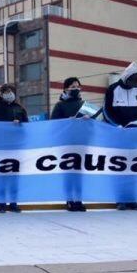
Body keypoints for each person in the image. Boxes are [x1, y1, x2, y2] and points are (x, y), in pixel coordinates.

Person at [104, 62, 137, 210]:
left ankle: (132, 199)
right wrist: (116, 126)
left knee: (134, 168)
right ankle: (120, 199)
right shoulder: (112, 89)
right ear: (127, 78)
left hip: (134, 135)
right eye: (133, 80)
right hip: (118, 134)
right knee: (120, 167)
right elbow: (107, 111)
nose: (135, 84)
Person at [0, 84, 28, 213]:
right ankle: (2, 203)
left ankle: (13, 202)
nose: (8, 94)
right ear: (1, 94)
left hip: (16, 147)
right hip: (0, 147)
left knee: (14, 176)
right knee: (1, 176)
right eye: (5, 92)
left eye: (10, 91)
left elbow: (27, 127)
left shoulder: (20, 108)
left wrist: (20, 124)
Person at [50, 77, 87, 212]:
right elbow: (53, 124)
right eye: (72, 86)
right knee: (69, 173)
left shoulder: (84, 104)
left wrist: (89, 120)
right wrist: (67, 121)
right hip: (66, 144)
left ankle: (79, 199)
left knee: (79, 173)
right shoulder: (60, 105)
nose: (76, 88)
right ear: (65, 89)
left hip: (82, 143)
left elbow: (95, 122)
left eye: (78, 86)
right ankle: (69, 200)